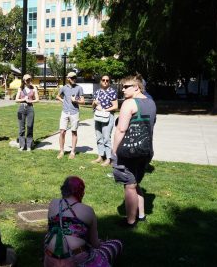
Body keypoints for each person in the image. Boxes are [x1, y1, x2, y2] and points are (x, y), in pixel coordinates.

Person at [44, 176, 123, 266]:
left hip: (50, 258)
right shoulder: (88, 210)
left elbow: (50, 230)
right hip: (75, 258)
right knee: (116, 244)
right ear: (81, 192)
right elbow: (95, 244)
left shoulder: (53, 203)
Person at [112, 74, 156, 227]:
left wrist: (114, 150)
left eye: (126, 86)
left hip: (129, 151)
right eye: (121, 87)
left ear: (137, 87)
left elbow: (121, 129)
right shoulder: (151, 103)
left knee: (129, 185)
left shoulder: (129, 103)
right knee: (136, 182)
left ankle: (130, 221)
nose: (122, 89)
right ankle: (141, 215)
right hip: (146, 150)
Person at [56, 72, 85, 159]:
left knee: (74, 132)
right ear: (68, 78)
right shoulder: (63, 88)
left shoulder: (79, 88)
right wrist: (63, 101)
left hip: (74, 112)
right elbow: (57, 96)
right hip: (65, 112)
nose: (73, 79)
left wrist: (75, 101)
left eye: (75, 78)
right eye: (72, 78)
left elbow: (83, 101)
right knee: (62, 132)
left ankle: (72, 152)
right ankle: (61, 151)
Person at [92, 75, 118, 166]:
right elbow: (93, 105)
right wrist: (94, 103)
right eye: (103, 80)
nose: (105, 81)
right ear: (100, 81)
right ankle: (100, 156)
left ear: (109, 82)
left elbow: (115, 106)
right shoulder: (97, 92)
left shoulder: (112, 92)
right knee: (99, 137)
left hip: (108, 116)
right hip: (98, 116)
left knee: (106, 138)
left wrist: (104, 110)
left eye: (107, 80)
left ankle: (108, 158)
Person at [15, 74, 39, 151]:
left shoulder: (34, 88)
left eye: (30, 79)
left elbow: (37, 100)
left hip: (30, 108)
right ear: (24, 81)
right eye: (27, 80)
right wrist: (23, 99)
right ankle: (22, 145)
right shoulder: (20, 89)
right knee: (21, 128)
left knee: (30, 126)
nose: (29, 81)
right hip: (21, 108)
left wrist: (30, 101)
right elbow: (16, 100)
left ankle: (29, 145)